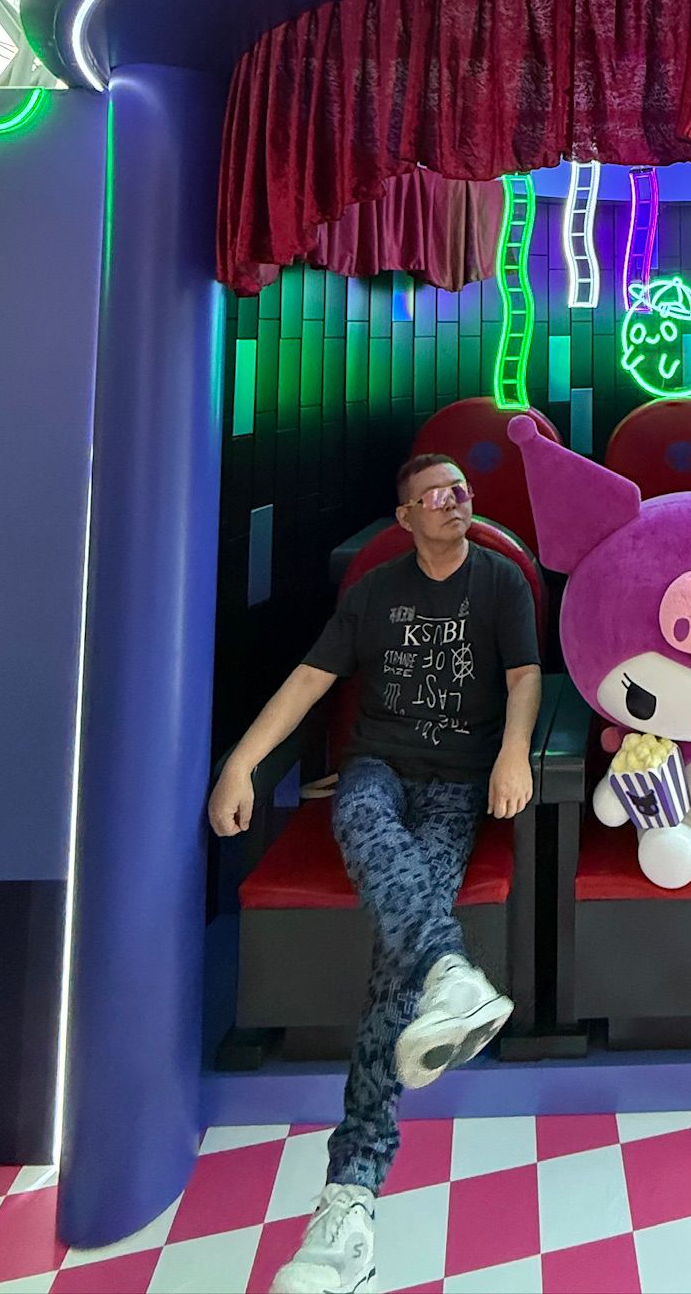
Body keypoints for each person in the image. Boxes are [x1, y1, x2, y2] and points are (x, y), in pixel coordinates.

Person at [208, 452, 543, 1294]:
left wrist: (512, 753)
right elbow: (309, 680)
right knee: (362, 818)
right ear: (406, 517)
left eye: (462, 490)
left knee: (400, 953)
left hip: (458, 783)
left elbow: (524, 677)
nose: (455, 501)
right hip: (377, 770)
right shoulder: (374, 592)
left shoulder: (500, 581)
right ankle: (450, 973)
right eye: (436, 494)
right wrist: (242, 763)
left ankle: (349, 1200)